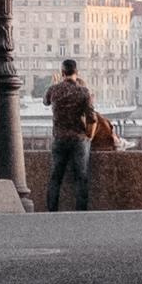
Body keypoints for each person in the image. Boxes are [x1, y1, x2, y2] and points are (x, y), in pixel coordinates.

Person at [45, 57, 96, 211]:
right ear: (76, 72)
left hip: (59, 139)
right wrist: (89, 136)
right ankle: (80, 212)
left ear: (62, 72)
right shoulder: (83, 92)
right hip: (78, 140)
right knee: (81, 178)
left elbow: (45, 101)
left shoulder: (54, 90)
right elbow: (92, 118)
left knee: (55, 178)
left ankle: (52, 211)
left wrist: (53, 85)